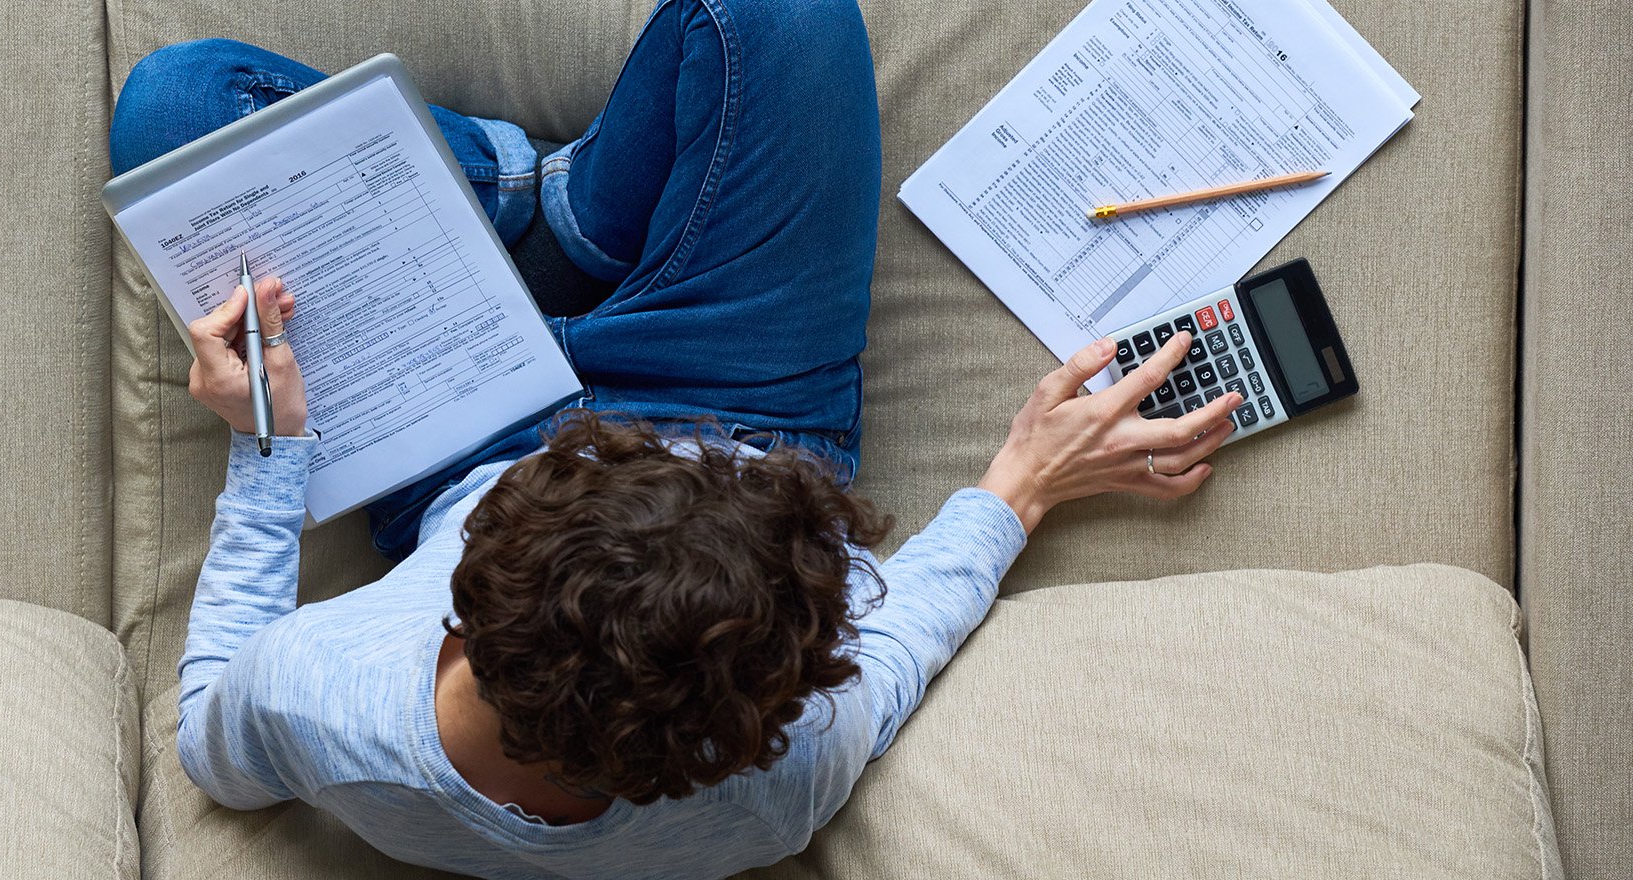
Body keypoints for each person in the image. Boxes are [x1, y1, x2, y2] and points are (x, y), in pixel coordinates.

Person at [111, 1, 1243, 877]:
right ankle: (578, 218)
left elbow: (208, 732)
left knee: (175, 106)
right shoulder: (782, 769)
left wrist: (269, 440)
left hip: (455, 442)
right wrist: (1021, 485)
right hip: (740, 395)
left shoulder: (320, 698)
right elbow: (894, 656)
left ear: (460, 615)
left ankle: (533, 209)